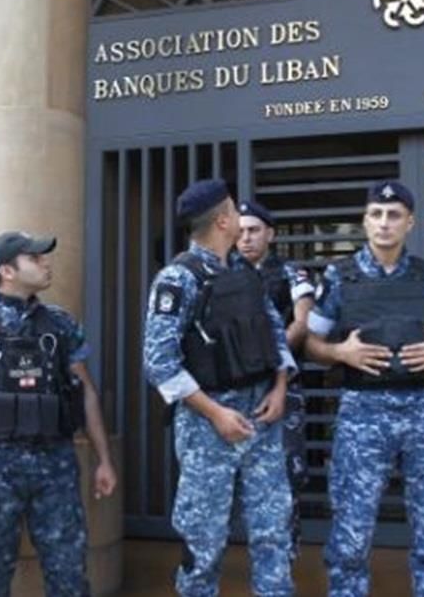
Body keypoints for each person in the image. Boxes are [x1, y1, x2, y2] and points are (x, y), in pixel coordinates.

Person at [0, 231, 117, 595]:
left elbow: (86, 394)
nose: (46, 263)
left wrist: (104, 460)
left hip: (56, 467)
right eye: (35, 258)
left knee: (70, 577)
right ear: (7, 271)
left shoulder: (60, 325)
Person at [304, 180, 424, 597]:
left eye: (394, 215)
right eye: (376, 214)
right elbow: (311, 344)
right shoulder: (339, 277)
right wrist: (341, 352)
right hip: (363, 412)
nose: (384, 222)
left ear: (410, 222)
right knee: (351, 531)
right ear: (365, 221)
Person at [141, 179, 296, 596]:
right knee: (203, 544)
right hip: (208, 429)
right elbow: (159, 363)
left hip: (262, 419)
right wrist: (215, 414)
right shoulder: (178, 279)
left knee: (274, 535)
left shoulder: (246, 271)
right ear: (223, 221)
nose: (241, 217)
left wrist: (280, 387)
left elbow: (275, 332)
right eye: (234, 210)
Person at [235, 200, 315, 555]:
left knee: (286, 474)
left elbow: (303, 321)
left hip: (282, 388)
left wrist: (271, 357)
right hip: (236, 390)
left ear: (270, 234)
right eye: (240, 231)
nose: (246, 238)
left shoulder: (290, 273)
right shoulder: (224, 273)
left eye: (254, 230)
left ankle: (285, 557)